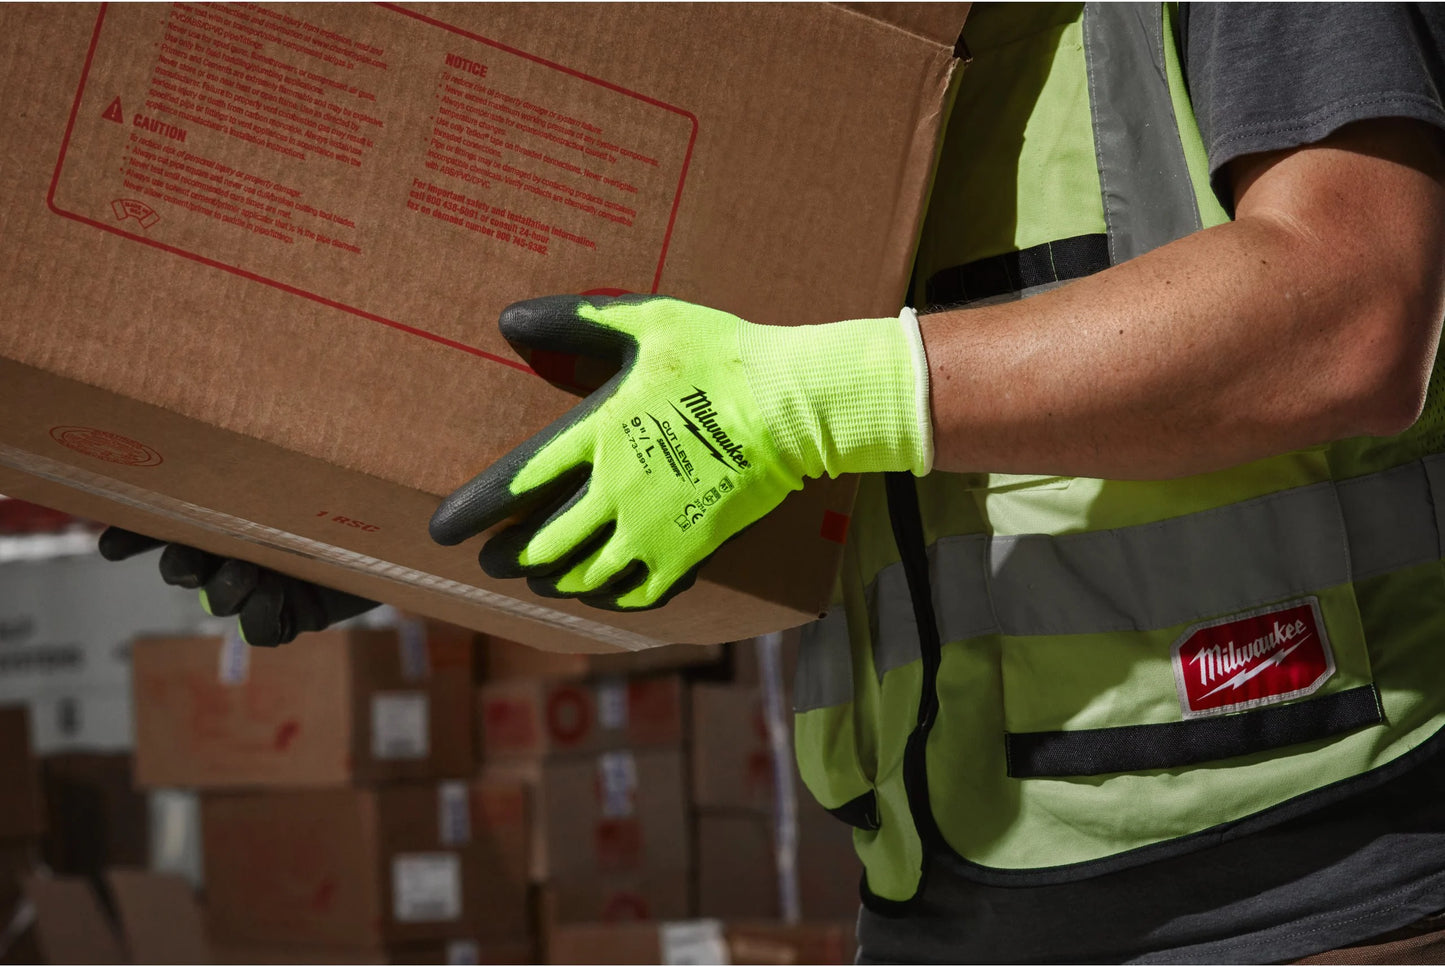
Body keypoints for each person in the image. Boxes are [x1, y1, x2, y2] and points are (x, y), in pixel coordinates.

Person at [105, 3, 1445, 961]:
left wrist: (803, 403)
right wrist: (383, 525)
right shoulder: (841, 57)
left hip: (1319, 882)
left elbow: (1352, 307)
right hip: (949, 896)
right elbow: (764, 439)